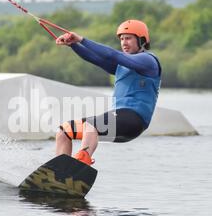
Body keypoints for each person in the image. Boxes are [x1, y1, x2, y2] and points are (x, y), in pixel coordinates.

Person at [55, 19, 162, 166]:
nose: (124, 42)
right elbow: (94, 58)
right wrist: (73, 44)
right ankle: (59, 169)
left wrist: (81, 39)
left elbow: (112, 55)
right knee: (64, 131)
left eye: (129, 38)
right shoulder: (121, 66)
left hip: (134, 121)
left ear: (142, 40)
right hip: (119, 122)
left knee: (91, 125)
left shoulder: (148, 61)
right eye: (122, 39)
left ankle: (81, 163)